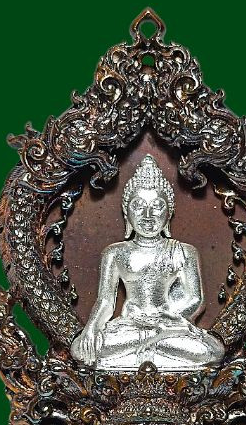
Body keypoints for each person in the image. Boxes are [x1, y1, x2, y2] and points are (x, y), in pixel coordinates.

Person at [71, 154, 225, 370]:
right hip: (130, 326)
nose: (148, 215)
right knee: (80, 349)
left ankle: (147, 345)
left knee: (213, 352)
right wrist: (91, 328)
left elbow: (195, 299)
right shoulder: (115, 253)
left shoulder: (183, 251)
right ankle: (150, 343)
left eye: (157, 206)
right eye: (139, 206)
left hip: (168, 327)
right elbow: (105, 301)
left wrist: (166, 320)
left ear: (169, 213)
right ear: (127, 213)